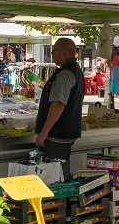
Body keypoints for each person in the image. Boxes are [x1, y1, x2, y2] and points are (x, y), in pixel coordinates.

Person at [34, 37, 85, 181]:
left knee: (54, 176)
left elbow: (58, 105)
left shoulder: (65, 74)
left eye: (54, 50)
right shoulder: (75, 70)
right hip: (65, 132)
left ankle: (60, 202)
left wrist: (44, 132)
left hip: (58, 135)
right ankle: (65, 200)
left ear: (63, 52)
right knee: (60, 170)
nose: (52, 53)